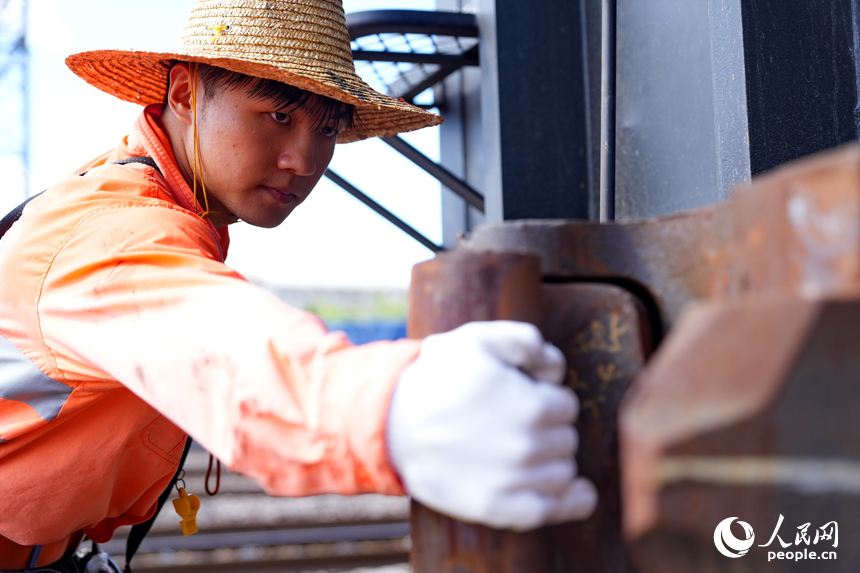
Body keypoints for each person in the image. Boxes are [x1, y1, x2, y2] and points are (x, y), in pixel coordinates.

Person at [0, 1, 597, 571]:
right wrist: (395, 410)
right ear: (184, 94)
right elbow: (226, 355)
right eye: (279, 116)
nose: (304, 161)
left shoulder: (135, 201)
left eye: (327, 130)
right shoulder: (112, 230)